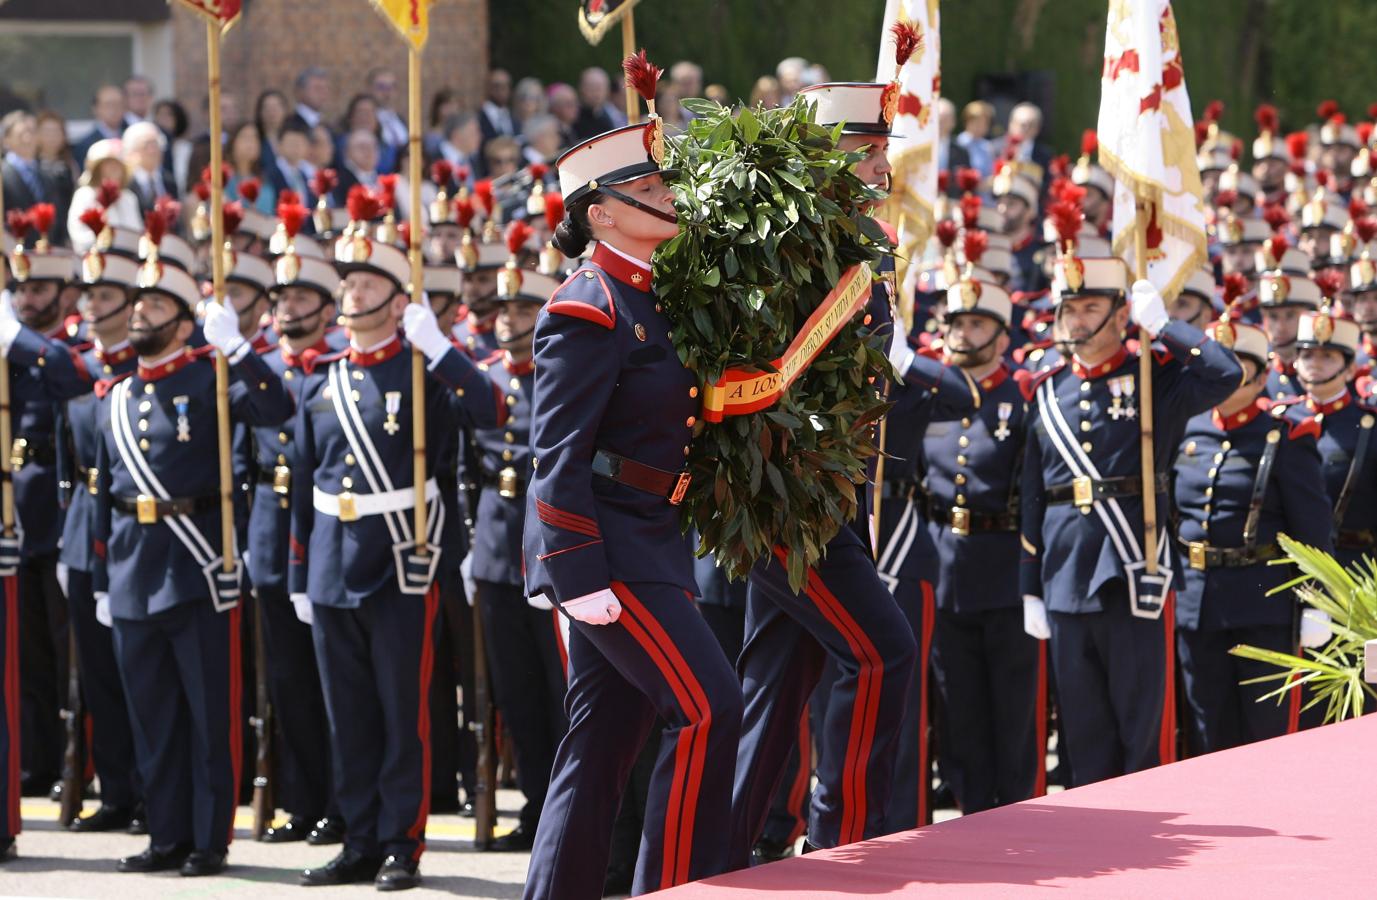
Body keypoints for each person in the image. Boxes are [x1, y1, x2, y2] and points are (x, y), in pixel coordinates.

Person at [523, 56, 743, 898]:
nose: (672, 197)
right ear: (603, 211)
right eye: (653, 187)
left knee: (601, 742)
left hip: (652, 539)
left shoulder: (652, 297)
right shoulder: (587, 307)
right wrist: (575, 573)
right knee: (709, 708)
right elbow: (558, 452)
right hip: (609, 552)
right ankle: (682, 886)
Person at [289, 198, 502, 890]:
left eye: (366, 283)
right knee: (346, 712)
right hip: (329, 561)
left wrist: (438, 350)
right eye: (347, 284)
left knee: (398, 710)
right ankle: (357, 836)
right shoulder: (324, 381)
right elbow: (301, 483)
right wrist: (299, 570)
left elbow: (491, 409)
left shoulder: (420, 371)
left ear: (398, 298)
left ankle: (399, 843)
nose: (351, 293)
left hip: (399, 560)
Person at [88, 217, 292, 876]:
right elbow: (101, 492)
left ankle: (209, 837)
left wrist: (235, 350)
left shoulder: (210, 381)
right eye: (138, 302)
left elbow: (276, 410)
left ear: (183, 323)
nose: (138, 312)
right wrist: (99, 577)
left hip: (198, 564)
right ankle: (166, 832)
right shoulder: (114, 396)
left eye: (154, 305)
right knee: (151, 716)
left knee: (208, 716)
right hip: (131, 568)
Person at [1019, 212, 1242, 788]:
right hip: (1065, 576)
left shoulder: (1155, 377)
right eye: (1069, 309)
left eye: (1090, 308)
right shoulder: (1048, 393)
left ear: (1121, 314)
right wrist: (1029, 586)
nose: (1076, 319)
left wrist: (1167, 326)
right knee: (1083, 730)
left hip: (1131, 568)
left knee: (1139, 729)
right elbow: (1033, 497)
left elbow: (1225, 373)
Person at [914, 260, 1046, 815]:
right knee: (957, 706)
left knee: (1014, 708)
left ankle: (1019, 809)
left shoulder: (1021, 398)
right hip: (944, 568)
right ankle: (972, 810)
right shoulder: (929, 395)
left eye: (974, 325)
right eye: (955, 324)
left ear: (1000, 332)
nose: (961, 335)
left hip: (1004, 569)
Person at [1172, 318, 1334, 755]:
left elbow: (1313, 529)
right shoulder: (1188, 430)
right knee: (1207, 725)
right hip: (1197, 602)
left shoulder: (1284, 435)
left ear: (1262, 376)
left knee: (1264, 729)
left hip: (1261, 601)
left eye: (1238, 366)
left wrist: (1317, 601)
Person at [245, 204, 344, 846]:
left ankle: (340, 802)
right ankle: (299, 801)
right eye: (280, 296)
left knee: (332, 685)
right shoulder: (261, 368)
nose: (286, 307)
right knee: (284, 683)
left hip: (325, 536)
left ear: (327, 307)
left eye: (301, 295)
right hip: (267, 536)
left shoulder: (336, 368)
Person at [467, 231, 568, 852]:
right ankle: (535, 806)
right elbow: (461, 471)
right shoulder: (486, 378)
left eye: (523, 311)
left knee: (562, 697)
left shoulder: (556, 376)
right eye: (503, 311)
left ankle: (564, 813)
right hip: (495, 555)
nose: (508, 322)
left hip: (548, 559)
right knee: (516, 697)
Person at [45, 236, 146, 833]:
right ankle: (115, 791)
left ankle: (148, 794)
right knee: (99, 678)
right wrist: (67, 535)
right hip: (85, 530)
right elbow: (68, 459)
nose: (92, 304)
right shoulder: (83, 365)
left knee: (139, 675)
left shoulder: (144, 369)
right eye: (87, 293)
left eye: (104, 294)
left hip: (133, 534)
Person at [3, 232, 86, 802]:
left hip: (61, 509)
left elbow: (72, 377)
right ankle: (33, 760)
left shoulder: (67, 345)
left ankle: (75, 761)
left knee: (67, 654)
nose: (29, 300)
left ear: (66, 292)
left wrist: (19, 337)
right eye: (22, 290)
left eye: (40, 289)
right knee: (27, 650)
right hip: (19, 510)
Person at [1279, 292, 1377, 569]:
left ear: (1350, 370)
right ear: (1295, 363)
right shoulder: (1281, 420)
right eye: (1307, 355)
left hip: (1354, 563)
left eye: (1328, 357)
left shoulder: (1368, 423)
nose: (1316, 364)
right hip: (1288, 565)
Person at [66, 139, 141, 255]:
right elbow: (78, 233)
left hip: (127, 261)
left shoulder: (129, 198)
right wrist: (105, 242)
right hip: (93, 259)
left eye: (118, 164)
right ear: (97, 168)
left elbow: (136, 232)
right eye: (108, 163)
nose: (114, 168)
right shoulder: (84, 195)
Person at [3, 111, 61, 244]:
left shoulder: (47, 175)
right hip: (13, 256)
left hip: (46, 255)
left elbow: (58, 219)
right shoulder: (3, 175)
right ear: (7, 139)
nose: (28, 139)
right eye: (21, 134)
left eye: (32, 132)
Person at [34, 111, 77, 230]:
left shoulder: (70, 165)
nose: (52, 137)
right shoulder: (32, 166)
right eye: (47, 132)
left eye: (56, 132)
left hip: (66, 225)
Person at [337, 94, 397, 175]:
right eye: (361, 112)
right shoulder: (338, 147)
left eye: (370, 112)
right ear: (351, 117)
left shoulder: (388, 150)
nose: (365, 117)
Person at [73, 85, 127, 168]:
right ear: (96, 109)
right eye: (108, 105)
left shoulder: (131, 138)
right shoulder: (85, 145)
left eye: (118, 104)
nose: (114, 109)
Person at [123, 122, 170, 216]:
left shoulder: (169, 181)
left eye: (156, 144)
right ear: (132, 150)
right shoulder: (125, 183)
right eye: (146, 145)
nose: (153, 151)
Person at [152, 99, 193, 197]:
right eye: (160, 114)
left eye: (169, 114)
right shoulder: (152, 149)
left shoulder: (186, 148)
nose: (164, 118)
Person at [367, 68, 409, 151]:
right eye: (381, 87)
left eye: (391, 87)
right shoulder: (366, 119)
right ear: (369, 89)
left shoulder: (400, 119)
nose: (387, 92)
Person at [572, 68, 617, 141]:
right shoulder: (573, 117)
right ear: (581, 88)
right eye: (592, 87)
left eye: (600, 88)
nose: (596, 92)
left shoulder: (608, 118)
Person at [287, 66, 333, 137]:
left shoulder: (329, 127)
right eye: (317, 88)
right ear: (300, 91)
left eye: (325, 88)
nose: (323, 93)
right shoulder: (290, 125)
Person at [957, 101, 996, 178]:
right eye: (975, 123)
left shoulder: (987, 147)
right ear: (967, 122)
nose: (979, 127)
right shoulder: (958, 143)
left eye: (983, 124)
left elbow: (990, 172)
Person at [480, 68, 516, 146]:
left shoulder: (515, 117)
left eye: (506, 85)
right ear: (487, 87)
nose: (502, 89)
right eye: (497, 85)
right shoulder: (478, 118)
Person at [255, 89, 291, 160]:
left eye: (276, 107)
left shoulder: (294, 138)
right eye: (267, 107)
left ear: (285, 110)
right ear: (260, 112)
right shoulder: (256, 140)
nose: (272, 112)